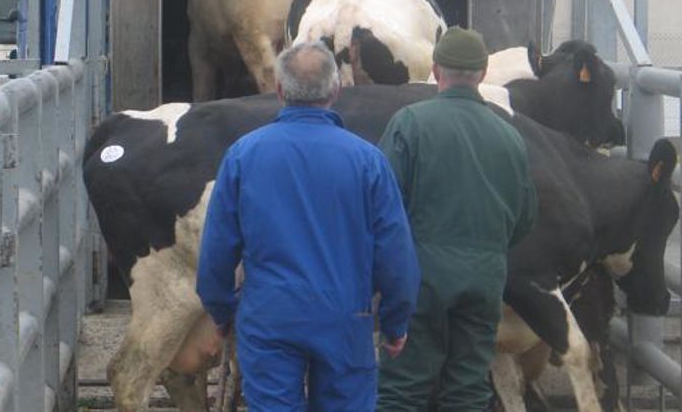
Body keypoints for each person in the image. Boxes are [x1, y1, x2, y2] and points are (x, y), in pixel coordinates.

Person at [196, 41, 420, 411]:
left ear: (280, 90)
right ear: (336, 89)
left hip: (269, 317)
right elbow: (396, 254)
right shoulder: (368, 161)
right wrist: (396, 323)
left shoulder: (243, 155)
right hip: (345, 317)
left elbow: (217, 249)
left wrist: (221, 312)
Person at [377, 26, 537, 411]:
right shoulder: (509, 135)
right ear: (482, 73)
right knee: (467, 389)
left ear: (435, 69)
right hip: (485, 276)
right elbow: (525, 218)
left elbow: (381, 206)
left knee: (403, 388)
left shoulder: (409, 123)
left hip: (420, 276)